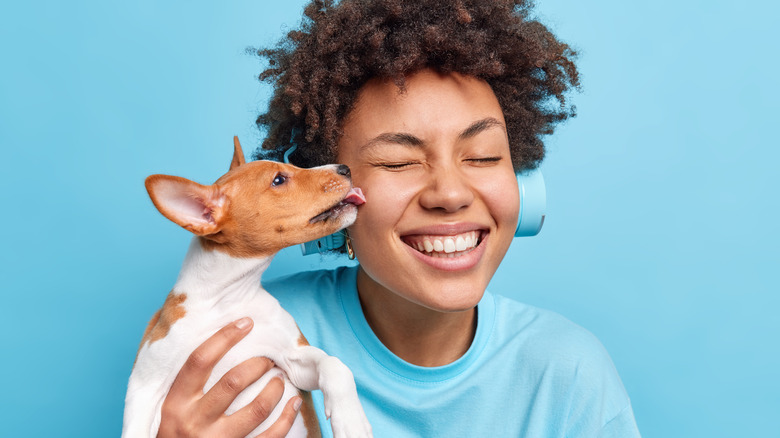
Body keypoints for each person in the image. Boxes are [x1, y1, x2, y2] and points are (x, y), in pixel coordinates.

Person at [157, 0, 641, 436]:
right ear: (329, 199)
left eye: (484, 155)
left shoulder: (570, 374)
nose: (450, 194)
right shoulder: (240, 333)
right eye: (397, 162)